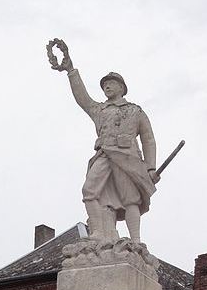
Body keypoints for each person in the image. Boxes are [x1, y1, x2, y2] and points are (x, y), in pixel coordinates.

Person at [54, 49, 159, 243]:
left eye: (111, 83)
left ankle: (135, 241)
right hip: (104, 155)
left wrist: (151, 168)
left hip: (128, 158)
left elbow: (148, 139)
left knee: (130, 199)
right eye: (104, 84)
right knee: (89, 191)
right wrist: (71, 71)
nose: (107, 87)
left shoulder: (135, 111)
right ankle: (100, 234)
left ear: (121, 87)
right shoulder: (99, 109)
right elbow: (82, 98)